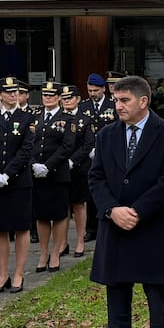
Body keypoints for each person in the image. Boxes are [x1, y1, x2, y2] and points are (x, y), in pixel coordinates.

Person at [88, 75, 164, 328]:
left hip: (150, 226)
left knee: (157, 297)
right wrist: (112, 210)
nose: (118, 106)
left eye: (124, 100)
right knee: (117, 297)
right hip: (114, 227)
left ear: (143, 101)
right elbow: (96, 177)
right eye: (116, 100)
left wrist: (138, 211)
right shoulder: (106, 135)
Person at [0, 76, 36, 294]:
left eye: (17, 92)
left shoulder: (27, 117)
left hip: (19, 181)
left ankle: (19, 273)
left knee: (21, 227)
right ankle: (3, 274)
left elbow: (26, 150)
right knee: (0, 228)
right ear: (0, 95)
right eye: (9, 92)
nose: (14, 95)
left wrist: (8, 174)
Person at [31, 81, 75, 272]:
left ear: (58, 98)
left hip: (57, 173)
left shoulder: (67, 118)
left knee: (58, 215)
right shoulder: (35, 117)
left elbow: (67, 146)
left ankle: (56, 252)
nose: (47, 98)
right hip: (37, 173)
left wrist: (48, 166)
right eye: (45, 95)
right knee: (41, 215)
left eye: (51, 95)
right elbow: (28, 143)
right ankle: (43, 253)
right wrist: (34, 163)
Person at [59, 84, 92, 258]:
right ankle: (62, 242)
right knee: (63, 206)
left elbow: (88, 144)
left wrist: (72, 161)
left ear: (78, 99)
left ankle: (80, 241)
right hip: (59, 168)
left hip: (78, 167)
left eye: (70, 98)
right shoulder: (57, 117)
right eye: (64, 98)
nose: (67, 101)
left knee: (78, 205)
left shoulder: (85, 119)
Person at [81, 72, 114, 242]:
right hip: (88, 157)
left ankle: (107, 224)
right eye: (90, 90)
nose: (92, 93)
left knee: (107, 190)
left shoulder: (112, 105)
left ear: (103, 89)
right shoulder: (83, 106)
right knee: (90, 193)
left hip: (108, 156)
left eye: (95, 90)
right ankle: (91, 229)